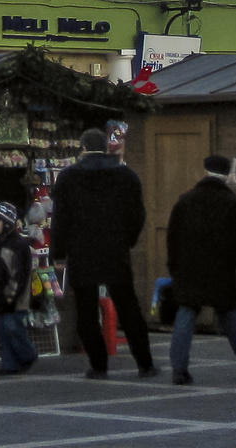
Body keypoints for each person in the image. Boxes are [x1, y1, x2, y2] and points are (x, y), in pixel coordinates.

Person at [51, 127, 156, 379]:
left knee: (86, 310)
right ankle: (145, 363)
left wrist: (58, 253)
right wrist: (127, 240)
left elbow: (60, 220)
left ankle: (98, 365)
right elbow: (137, 214)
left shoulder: (68, 177)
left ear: (83, 147)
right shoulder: (126, 175)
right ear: (107, 146)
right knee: (128, 307)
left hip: (81, 250)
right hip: (115, 250)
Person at [165, 155, 236, 385]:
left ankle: (179, 368)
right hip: (220, 268)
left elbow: (173, 236)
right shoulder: (230, 202)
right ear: (227, 174)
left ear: (205, 170)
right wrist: (231, 265)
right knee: (230, 313)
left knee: (186, 312)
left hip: (189, 267)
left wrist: (174, 266)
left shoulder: (185, 199)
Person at [0, 200, 38, 375]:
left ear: (8, 221)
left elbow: (20, 274)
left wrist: (11, 296)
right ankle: (9, 364)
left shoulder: (20, 245)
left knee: (12, 327)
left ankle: (28, 354)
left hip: (15, 298)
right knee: (2, 330)